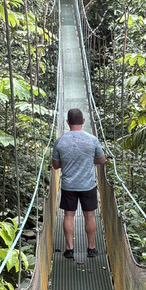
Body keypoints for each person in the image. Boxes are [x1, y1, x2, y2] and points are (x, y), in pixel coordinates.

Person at [51, 108, 106, 259]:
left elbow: (55, 165)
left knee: (68, 215)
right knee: (90, 216)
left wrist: (67, 162)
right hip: (88, 184)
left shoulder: (60, 141)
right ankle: (91, 248)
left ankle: (69, 249)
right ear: (83, 121)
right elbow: (102, 160)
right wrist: (89, 160)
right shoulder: (92, 140)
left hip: (69, 185)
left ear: (67, 122)